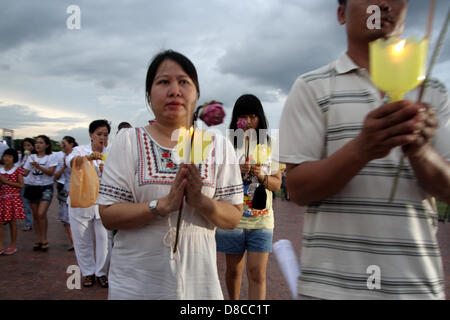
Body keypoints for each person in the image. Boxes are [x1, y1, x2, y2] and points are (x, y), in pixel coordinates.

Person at [278, 0, 450, 300]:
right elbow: (298, 188)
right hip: (329, 289)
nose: (383, 3)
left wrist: (421, 153)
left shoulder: (433, 91)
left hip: (415, 288)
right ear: (342, 13)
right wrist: (361, 149)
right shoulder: (312, 87)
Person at [97, 50, 243, 300]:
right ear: (149, 94)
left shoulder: (218, 146)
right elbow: (109, 215)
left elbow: (233, 217)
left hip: (198, 285)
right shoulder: (129, 141)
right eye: (164, 82)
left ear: (196, 95)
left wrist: (201, 202)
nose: (174, 90)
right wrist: (160, 206)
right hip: (136, 284)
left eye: (184, 82)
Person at [215, 94, 281, 300]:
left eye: (253, 116)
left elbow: (277, 184)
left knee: (257, 273)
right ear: (236, 120)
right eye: (243, 117)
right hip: (233, 219)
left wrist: (261, 175)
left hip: (262, 220)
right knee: (233, 272)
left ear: (260, 118)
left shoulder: (272, 145)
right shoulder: (227, 146)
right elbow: (217, 182)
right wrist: (236, 169)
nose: (249, 122)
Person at [66, 120, 112, 288]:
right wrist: (87, 159)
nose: (102, 138)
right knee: (82, 239)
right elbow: (71, 161)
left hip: (102, 201)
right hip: (82, 201)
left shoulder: (111, 152)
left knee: (104, 239)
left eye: (105, 134)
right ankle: (87, 272)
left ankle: (101, 272)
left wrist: (104, 170)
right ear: (91, 135)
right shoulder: (80, 150)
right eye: (99, 134)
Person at [23, 135, 57, 252]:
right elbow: (25, 173)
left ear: (46, 145)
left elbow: (51, 173)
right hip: (32, 187)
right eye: (36, 143)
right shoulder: (30, 157)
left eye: (41, 143)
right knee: (35, 215)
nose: (38, 145)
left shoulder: (50, 157)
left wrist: (39, 167)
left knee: (41, 213)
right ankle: (38, 239)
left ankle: (44, 239)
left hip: (45, 188)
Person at [54, 136, 78, 251]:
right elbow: (56, 176)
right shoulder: (61, 158)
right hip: (65, 189)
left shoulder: (77, 156)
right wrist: (64, 165)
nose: (62, 146)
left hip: (76, 189)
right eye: (61, 143)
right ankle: (73, 241)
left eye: (65, 143)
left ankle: (77, 241)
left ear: (71, 144)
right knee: (65, 217)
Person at [0, 149, 25, 255]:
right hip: (2, 198)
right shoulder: (0, 170)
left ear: (14, 159)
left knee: (12, 222)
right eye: (5, 156)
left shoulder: (17, 170)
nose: (6, 158)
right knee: (0, 222)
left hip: (13, 198)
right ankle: (0, 245)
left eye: (9, 156)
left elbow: (21, 185)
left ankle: (13, 244)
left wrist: (6, 181)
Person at [19, 138, 35, 231]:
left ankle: (35, 221)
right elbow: (20, 168)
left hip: (33, 183)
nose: (27, 147)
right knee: (25, 204)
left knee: (34, 205)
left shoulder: (34, 156)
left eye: (29, 145)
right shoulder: (23, 156)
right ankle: (28, 223)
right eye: (25, 145)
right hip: (24, 182)